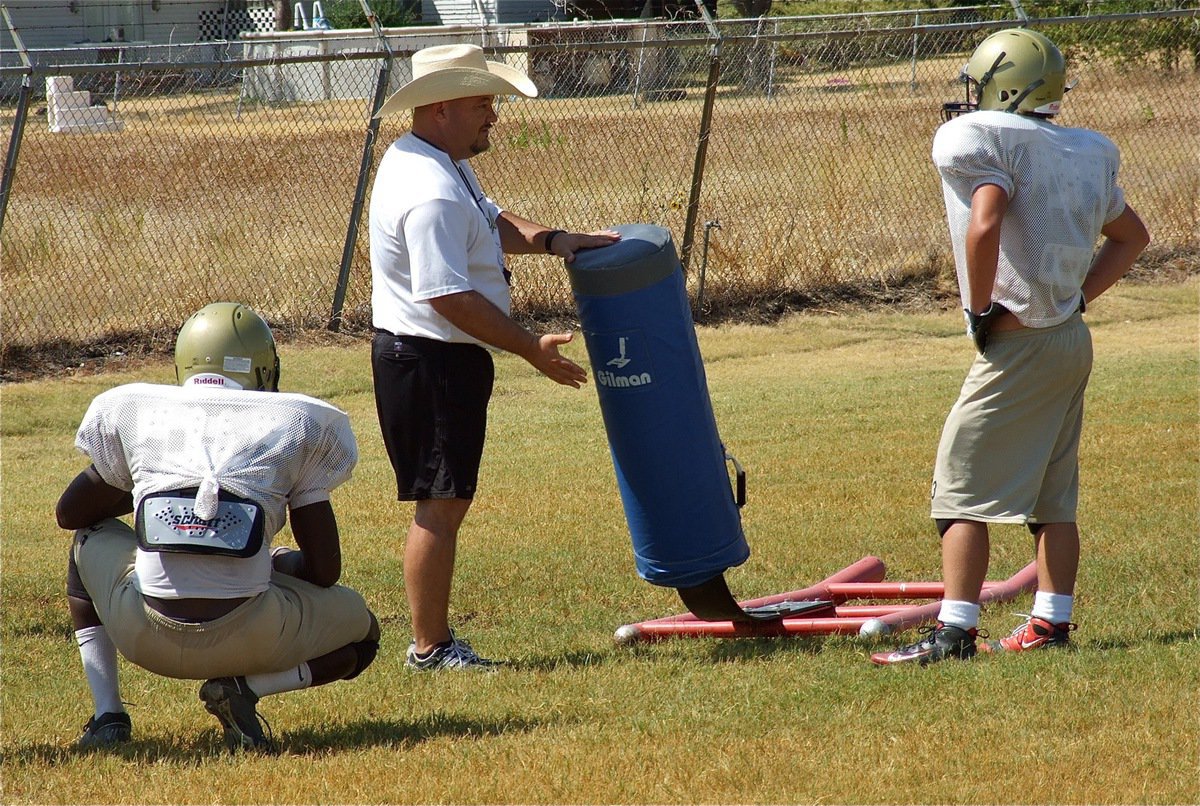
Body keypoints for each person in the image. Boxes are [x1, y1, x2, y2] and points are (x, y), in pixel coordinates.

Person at [871, 28, 1149, 666]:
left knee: (958, 487)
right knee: (1053, 495)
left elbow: (988, 217)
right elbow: (1133, 236)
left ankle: (955, 632)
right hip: (1069, 339)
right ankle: (1051, 625)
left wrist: (977, 306)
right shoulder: (1085, 149)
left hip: (1018, 342)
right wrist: (1079, 298)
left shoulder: (978, 139)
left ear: (1003, 82)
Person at [368, 44, 619, 670]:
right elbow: (447, 294)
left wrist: (556, 240)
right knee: (441, 503)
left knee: (446, 499)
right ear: (441, 107)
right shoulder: (429, 190)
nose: (494, 115)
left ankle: (432, 644)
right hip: (429, 359)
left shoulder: (437, 158)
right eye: (483, 103)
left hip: (440, 358)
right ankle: (430, 649)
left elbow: (487, 219)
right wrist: (529, 347)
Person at [58, 302, 381, 750]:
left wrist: (150, 481)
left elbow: (70, 515)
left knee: (85, 541)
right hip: (257, 635)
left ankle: (108, 716)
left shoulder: (142, 416)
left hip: (144, 635)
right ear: (264, 367)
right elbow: (326, 571)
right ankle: (247, 689)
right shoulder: (293, 425)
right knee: (364, 634)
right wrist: (275, 562)